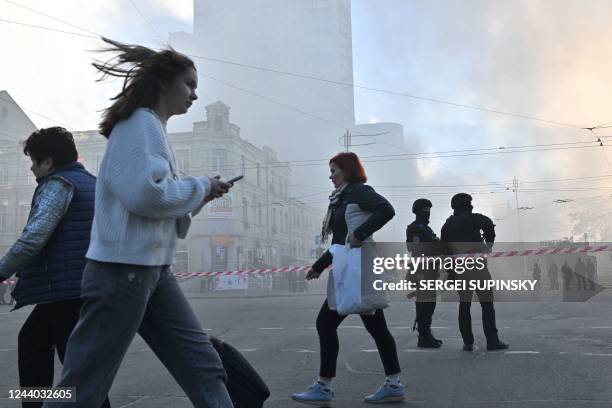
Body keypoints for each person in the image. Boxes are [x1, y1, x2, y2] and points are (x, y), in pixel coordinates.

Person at [43, 38, 233, 408]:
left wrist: (201, 194)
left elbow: (153, 204)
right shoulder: (139, 125)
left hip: (152, 270)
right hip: (122, 272)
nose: (194, 95)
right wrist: (198, 186)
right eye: (189, 84)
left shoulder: (152, 128)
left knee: (203, 366)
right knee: (82, 387)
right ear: (163, 82)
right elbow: (147, 196)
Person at [0, 127, 111, 408]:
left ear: (48, 162)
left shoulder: (58, 184)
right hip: (81, 287)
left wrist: (1, 271)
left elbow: (32, 238)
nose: (32, 169)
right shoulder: (92, 183)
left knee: (77, 369)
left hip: (67, 293)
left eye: (34, 162)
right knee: (36, 345)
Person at [292, 152, 404, 405]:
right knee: (371, 327)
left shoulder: (359, 192)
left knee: (332, 323)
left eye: (334, 170)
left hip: (360, 266)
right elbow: (339, 240)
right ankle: (392, 384)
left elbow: (387, 209)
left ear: (347, 170)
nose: (330, 176)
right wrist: (319, 266)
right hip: (347, 267)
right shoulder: (341, 198)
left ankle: (326, 385)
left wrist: (362, 232)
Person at [440, 193, 508, 352]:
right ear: (467, 205)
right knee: (487, 303)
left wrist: (451, 273)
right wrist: (489, 245)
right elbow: (489, 225)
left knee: (464, 304)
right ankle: (492, 340)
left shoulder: (447, 225)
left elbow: (444, 250)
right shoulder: (474, 218)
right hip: (477, 266)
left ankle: (468, 342)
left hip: (460, 269)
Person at [405, 198, 443, 348]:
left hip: (429, 271)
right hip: (422, 272)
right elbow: (415, 248)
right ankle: (423, 336)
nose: (428, 215)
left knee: (429, 304)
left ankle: (426, 333)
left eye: (428, 212)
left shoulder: (426, 228)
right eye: (425, 212)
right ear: (417, 212)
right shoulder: (415, 228)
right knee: (424, 304)